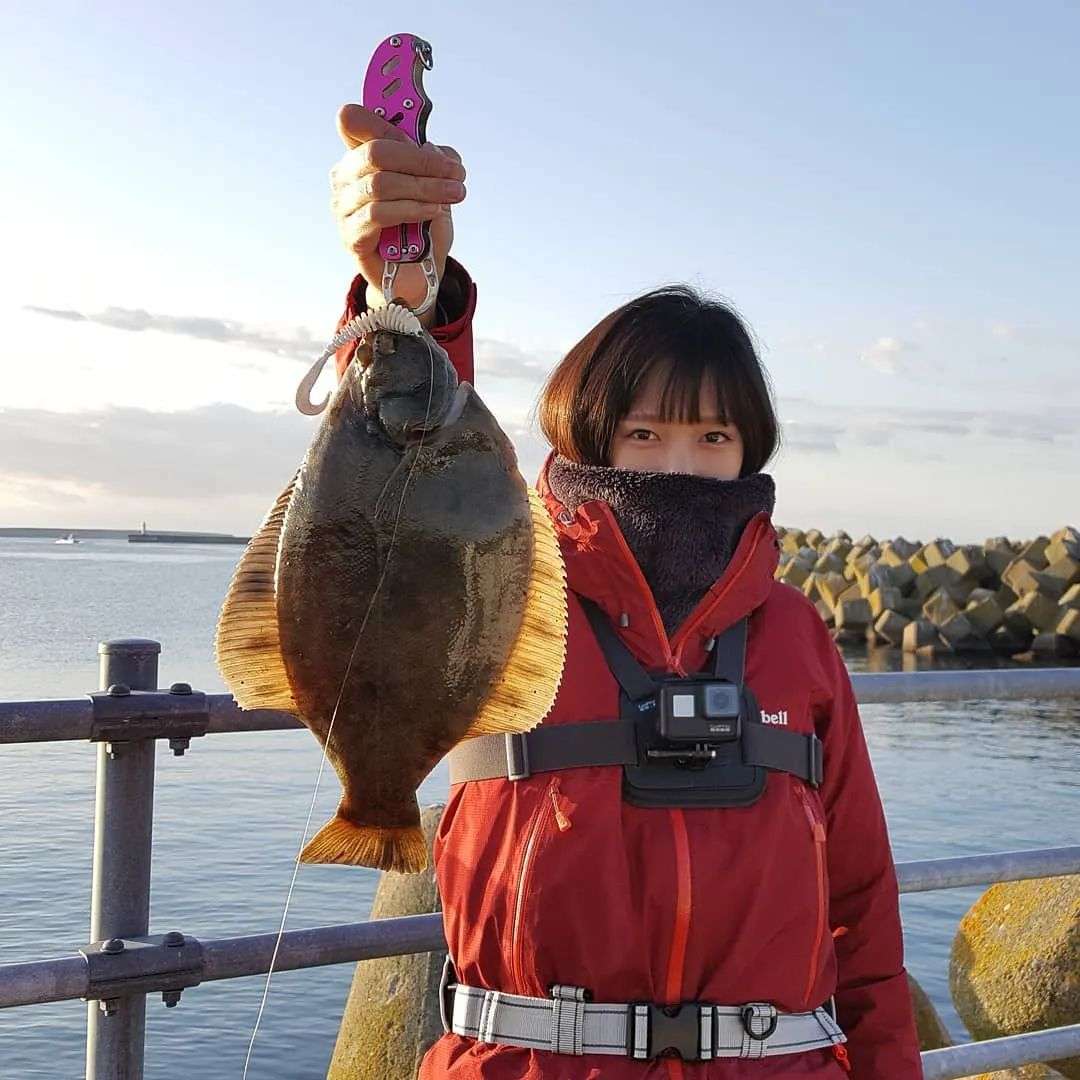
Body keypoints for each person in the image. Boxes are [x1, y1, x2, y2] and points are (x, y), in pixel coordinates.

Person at [326, 105, 924, 1079]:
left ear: (750, 454)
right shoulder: (504, 586)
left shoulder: (796, 636)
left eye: (713, 439)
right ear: (588, 440)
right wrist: (407, 295)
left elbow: (863, 906)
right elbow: (409, 462)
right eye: (644, 436)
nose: (680, 467)